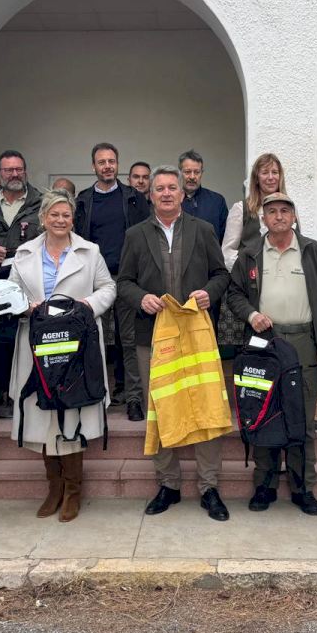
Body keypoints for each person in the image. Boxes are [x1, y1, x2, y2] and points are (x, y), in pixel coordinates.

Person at [117, 165, 231, 521]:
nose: (166, 193)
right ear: (150, 195)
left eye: (172, 188)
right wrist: (141, 298)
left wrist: (209, 292)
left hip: (196, 333)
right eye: (159, 188)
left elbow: (221, 274)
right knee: (159, 406)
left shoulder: (204, 229)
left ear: (183, 194)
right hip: (152, 334)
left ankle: (209, 486)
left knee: (205, 405)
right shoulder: (135, 234)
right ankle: (168, 484)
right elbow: (123, 281)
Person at [226, 192, 317, 515]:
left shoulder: (313, 252)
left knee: (301, 418)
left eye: (285, 211)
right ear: (263, 219)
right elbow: (234, 294)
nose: (278, 216)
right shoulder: (250, 254)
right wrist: (251, 315)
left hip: (303, 341)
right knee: (264, 413)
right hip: (264, 342)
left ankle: (303, 487)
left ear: (294, 216)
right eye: (272, 211)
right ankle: (265, 485)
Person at [9, 189, 115, 522]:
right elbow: (11, 292)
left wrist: (86, 306)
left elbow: (108, 288)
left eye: (65, 215)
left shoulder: (89, 251)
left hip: (76, 346)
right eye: (54, 215)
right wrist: (26, 307)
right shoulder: (24, 253)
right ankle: (53, 488)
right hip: (37, 344)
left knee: (71, 412)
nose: (60, 220)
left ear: (73, 219)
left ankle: (72, 491)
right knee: (42, 415)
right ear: (43, 218)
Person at [73, 142, 150, 421]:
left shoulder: (134, 198)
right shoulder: (83, 201)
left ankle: (134, 398)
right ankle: (95, 396)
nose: (107, 166)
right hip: (94, 280)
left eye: (111, 161)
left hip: (128, 279)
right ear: (93, 166)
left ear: (118, 164)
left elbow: (146, 237)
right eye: (101, 162)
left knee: (129, 341)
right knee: (92, 339)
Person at [0, 151, 44, 413]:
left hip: (28, 279)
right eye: (8, 170)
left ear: (25, 171)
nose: (14, 174)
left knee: (23, 335)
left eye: (18, 169)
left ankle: (21, 391)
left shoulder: (40, 202)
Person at [221, 152, 288, 271]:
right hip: (251, 279)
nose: (271, 177)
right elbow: (227, 252)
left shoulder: (290, 209)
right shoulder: (241, 209)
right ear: (256, 178)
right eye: (265, 172)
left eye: (274, 172)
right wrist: (246, 273)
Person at [178, 149, 228, 242]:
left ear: (201, 173)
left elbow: (225, 237)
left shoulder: (216, 201)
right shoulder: (171, 201)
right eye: (187, 172)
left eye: (197, 172)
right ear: (180, 173)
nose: (192, 177)